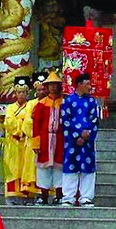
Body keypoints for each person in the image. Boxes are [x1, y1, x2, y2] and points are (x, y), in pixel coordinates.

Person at [60, 72, 99, 207]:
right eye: (87, 84)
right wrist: (77, 136)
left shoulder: (92, 101)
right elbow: (65, 120)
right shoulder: (68, 101)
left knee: (87, 168)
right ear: (79, 85)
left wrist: (86, 136)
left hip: (87, 141)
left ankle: (86, 197)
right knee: (70, 167)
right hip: (72, 141)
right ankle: (68, 197)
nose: (89, 86)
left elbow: (94, 120)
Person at [1, 76, 37, 203]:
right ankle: (12, 195)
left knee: (27, 168)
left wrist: (23, 129)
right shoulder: (10, 108)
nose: (21, 94)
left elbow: (30, 121)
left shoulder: (31, 106)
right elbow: (9, 121)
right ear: (15, 93)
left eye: (23, 92)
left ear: (28, 93)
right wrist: (18, 130)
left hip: (27, 141)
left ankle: (28, 195)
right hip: (13, 142)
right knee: (13, 168)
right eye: (18, 92)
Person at [31, 71, 65, 205]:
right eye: (50, 84)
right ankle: (43, 195)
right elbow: (36, 125)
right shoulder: (41, 104)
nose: (53, 87)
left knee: (59, 167)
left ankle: (59, 195)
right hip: (45, 139)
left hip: (60, 138)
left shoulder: (64, 102)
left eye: (55, 84)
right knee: (43, 168)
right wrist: (36, 143)